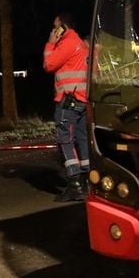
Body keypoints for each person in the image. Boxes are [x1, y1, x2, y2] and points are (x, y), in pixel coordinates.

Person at [43, 12, 90, 202]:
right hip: (81, 100)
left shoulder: (68, 42)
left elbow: (48, 64)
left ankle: (74, 183)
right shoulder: (80, 43)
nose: (54, 30)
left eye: (56, 27)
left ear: (64, 27)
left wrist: (50, 43)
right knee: (81, 139)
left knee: (65, 140)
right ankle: (87, 180)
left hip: (68, 100)